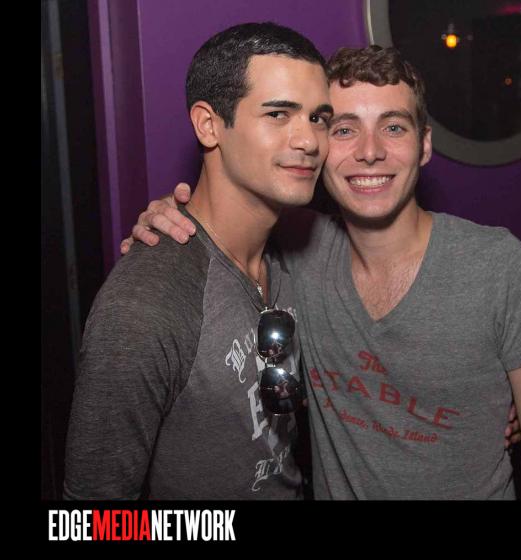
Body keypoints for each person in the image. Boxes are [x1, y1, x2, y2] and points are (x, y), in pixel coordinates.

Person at [125, 44, 521, 499]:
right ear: (319, 147)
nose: (370, 152)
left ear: (424, 144)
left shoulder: (497, 266)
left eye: (393, 127)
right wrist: (173, 215)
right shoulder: (299, 254)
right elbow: (227, 210)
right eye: (344, 129)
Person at [63, 22, 334, 499]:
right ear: (209, 125)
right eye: (278, 114)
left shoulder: (296, 249)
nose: (309, 141)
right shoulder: (144, 307)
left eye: (318, 118)